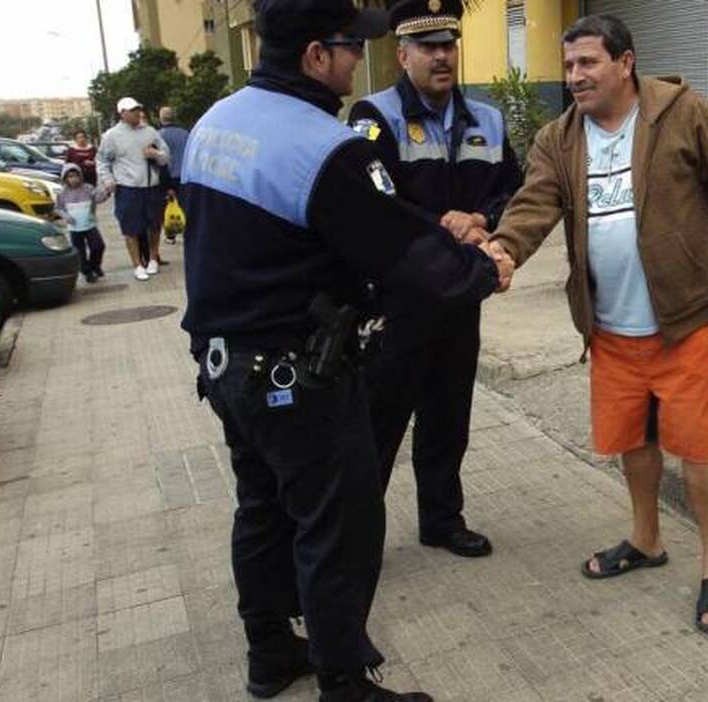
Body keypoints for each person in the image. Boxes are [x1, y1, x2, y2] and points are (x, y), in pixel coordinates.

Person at [180, 0, 510, 700]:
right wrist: (483, 271)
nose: (360, 58)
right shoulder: (324, 147)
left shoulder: (217, 122)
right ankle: (345, 681)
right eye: (350, 46)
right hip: (297, 378)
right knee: (340, 525)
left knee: (263, 511)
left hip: (226, 367)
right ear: (314, 56)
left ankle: (270, 651)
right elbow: (400, 251)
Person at [488, 14, 708, 634]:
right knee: (633, 441)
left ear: (625, 62)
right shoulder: (559, 138)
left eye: (588, 63)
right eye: (568, 66)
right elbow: (534, 204)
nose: (575, 77)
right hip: (610, 330)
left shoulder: (684, 114)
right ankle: (646, 540)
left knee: (702, 449)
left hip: (687, 324)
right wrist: (504, 250)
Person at [345, 0, 523, 559]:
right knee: (379, 424)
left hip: (459, 296)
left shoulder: (487, 119)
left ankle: (442, 520)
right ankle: (353, 542)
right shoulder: (374, 116)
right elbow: (373, 204)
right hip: (396, 301)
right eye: (427, 47)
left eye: (448, 44)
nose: (441, 56)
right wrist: (446, 226)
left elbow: (513, 188)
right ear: (403, 55)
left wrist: (481, 219)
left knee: (448, 415)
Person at [96, 96, 169, 281]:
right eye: (133, 110)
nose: (137, 113)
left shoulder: (150, 132)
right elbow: (102, 161)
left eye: (138, 109)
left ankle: (153, 258)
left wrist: (156, 154)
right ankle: (137, 265)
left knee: (154, 225)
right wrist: (108, 180)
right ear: (122, 113)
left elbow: (166, 156)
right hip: (127, 188)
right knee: (131, 229)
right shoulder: (111, 136)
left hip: (151, 186)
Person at [54, 163, 107, 283]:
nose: (74, 179)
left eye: (76, 176)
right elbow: (58, 208)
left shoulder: (87, 188)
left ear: (80, 176)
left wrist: (106, 190)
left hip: (89, 224)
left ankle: (95, 265)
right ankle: (86, 271)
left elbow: (99, 198)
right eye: (70, 176)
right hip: (75, 227)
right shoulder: (62, 193)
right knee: (80, 251)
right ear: (65, 178)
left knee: (98, 246)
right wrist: (66, 217)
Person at [158, 105, 190, 201]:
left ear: (161, 118)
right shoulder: (185, 134)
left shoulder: (158, 136)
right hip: (185, 177)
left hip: (168, 179)